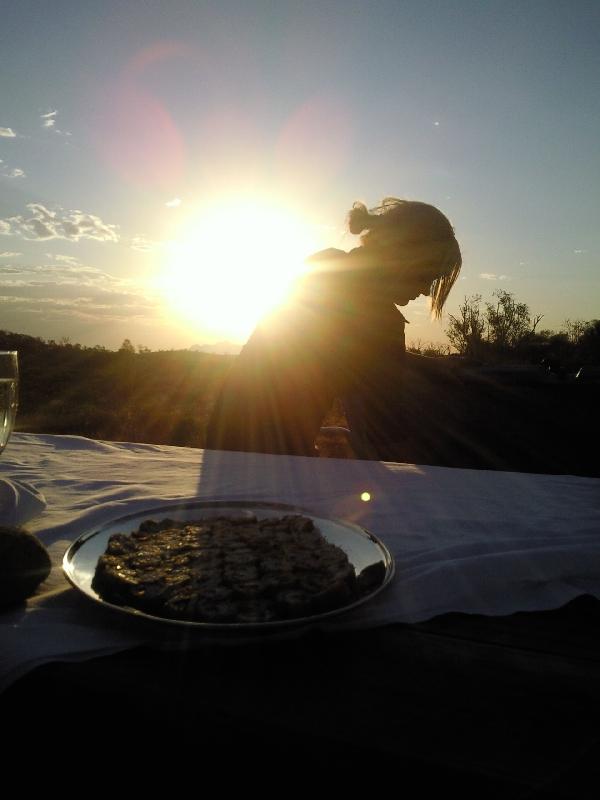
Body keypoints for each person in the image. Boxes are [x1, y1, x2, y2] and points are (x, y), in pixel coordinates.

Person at [206, 197, 462, 457]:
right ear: (406, 256)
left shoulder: (324, 265)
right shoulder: (382, 323)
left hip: (221, 448)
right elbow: (386, 434)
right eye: (427, 276)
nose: (426, 291)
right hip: (275, 467)